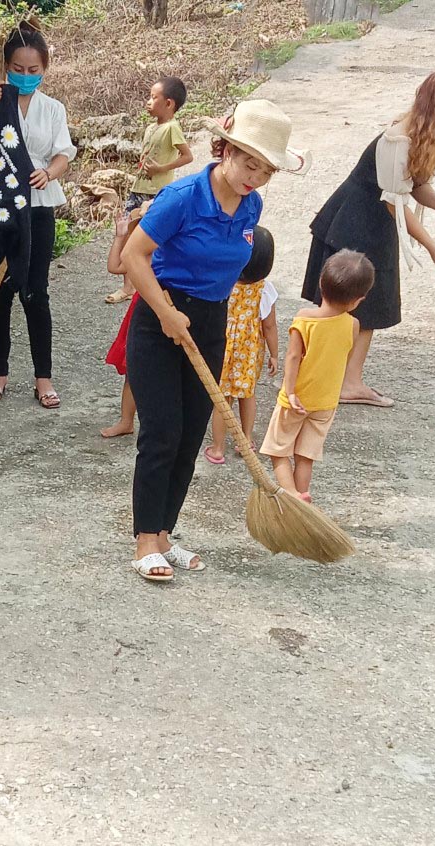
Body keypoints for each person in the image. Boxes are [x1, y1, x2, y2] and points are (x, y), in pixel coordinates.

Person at [122, 99, 309, 582]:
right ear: (225, 148)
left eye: (267, 170)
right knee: (162, 430)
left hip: (211, 323)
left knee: (190, 435)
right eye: (250, 163)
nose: (256, 177)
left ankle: (165, 534)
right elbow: (133, 256)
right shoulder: (182, 197)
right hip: (159, 317)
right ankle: (144, 540)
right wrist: (165, 313)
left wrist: (210, 316)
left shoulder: (252, 204)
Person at [302, 68, 435, 408]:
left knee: (371, 306)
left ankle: (350, 381)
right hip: (354, 222)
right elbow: (393, 202)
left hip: (375, 225)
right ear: (428, 108)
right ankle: (317, 376)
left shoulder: (423, 137)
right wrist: (432, 246)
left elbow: (415, 185)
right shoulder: (398, 139)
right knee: (341, 305)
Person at [0, 21, 77, 409]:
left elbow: (63, 153)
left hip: (38, 208)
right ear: (5, 66)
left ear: (44, 70)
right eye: (18, 69)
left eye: (33, 70)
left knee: (35, 292)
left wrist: (49, 172)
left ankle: (43, 377)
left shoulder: (53, 109)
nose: (25, 77)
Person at [261, 249, 374, 501]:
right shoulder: (353, 325)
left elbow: (292, 357)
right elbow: (342, 356)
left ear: (321, 284)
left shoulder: (304, 320)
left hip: (297, 398)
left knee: (278, 451)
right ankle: (303, 494)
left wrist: (289, 392)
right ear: (358, 300)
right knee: (305, 455)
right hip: (326, 402)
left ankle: (291, 496)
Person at [105, 77, 193, 305]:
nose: (148, 102)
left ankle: (148, 285)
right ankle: (128, 286)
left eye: (154, 98)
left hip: (156, 193)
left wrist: (162, 168)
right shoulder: (151, 127)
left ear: (169, 103)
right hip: (138, 187)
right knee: (127, 234)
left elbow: (187, 156)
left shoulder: (173, 128)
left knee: (148, 240)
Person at [204, 225, 279, 464]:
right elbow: (269, 326)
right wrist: (274, 355)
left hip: (222, 350)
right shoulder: (265, 290)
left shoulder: (224, 283)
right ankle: (245, 440)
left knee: (222, 400)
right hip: (249, 354)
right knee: (247, 395)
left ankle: (217, 448)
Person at [101, 202, 151, 438]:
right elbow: (114, 266)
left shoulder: (171, 251)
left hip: (167, 313)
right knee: (133, 370)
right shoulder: (140, 254)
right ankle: (126, 421)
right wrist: (120, 236)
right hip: (140, 313)